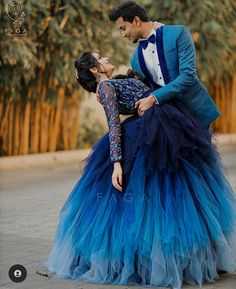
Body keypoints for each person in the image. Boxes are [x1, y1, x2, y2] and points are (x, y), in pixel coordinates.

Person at [43, 51, 236, 289]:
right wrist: (116, 163)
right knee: (161, 194)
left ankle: (189, 259)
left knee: (178, 190)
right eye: (100, 58)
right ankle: (158, 262)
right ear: (94, 69)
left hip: (159, 123)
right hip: (148, 132)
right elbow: (113, 123)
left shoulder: (114, 82)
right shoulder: (105, 88)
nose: (106, 58)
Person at [109, 1, 220, 127]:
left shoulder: (178, 33)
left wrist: (153, 98)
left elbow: (188, 75)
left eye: (123, 28)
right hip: (167, 119)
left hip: (194, 112)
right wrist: (106, 86)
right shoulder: (135, 59)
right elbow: (143, 89)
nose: (122, 34)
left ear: (136, 20)